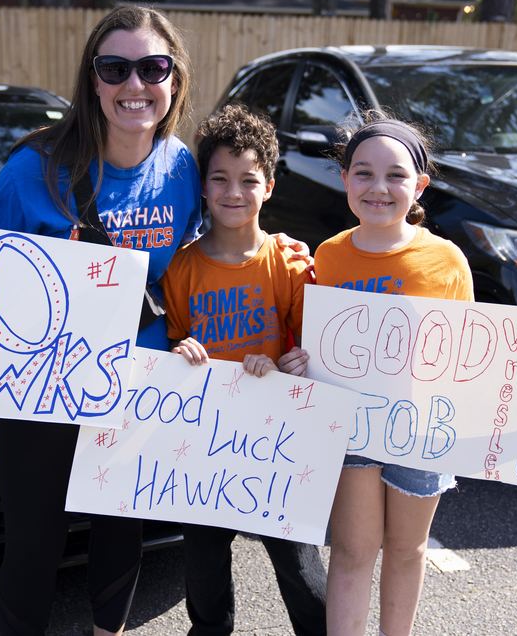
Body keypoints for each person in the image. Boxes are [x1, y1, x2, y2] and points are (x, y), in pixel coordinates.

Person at [0, 7, 310, 636]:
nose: (135, 84)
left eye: (153, 67)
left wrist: (276, 248)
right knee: (36, 540)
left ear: (175, 79)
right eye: (115, 68)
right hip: (40, 381)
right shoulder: (35, 168)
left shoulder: (182, 167)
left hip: (139, 377)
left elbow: (206, 248)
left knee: (121, 526)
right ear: (93, 80)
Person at [315, 110, 517, 636]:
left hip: (427, 430)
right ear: (345, 178)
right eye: (364, 173)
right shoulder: (328, 256)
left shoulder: (445, 260)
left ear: (420, 186)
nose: (379, 187)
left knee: (407, 548)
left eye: (396, 175)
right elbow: (318, 344)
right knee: (353, 550)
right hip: (353, 428)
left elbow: (479, 360)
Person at [159, 103, 326, 636]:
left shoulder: (290, 263)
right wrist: (181, 352)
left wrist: (288, 364)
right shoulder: (180, 268)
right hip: (205, 445)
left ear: (269, 187)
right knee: (204, 567)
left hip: (276, 442)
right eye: (220, 179)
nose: (234, 192)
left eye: (249, 180)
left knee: (301, 569)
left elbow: (313, 354)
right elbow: (171, 344)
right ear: (203, 187)